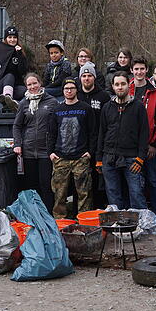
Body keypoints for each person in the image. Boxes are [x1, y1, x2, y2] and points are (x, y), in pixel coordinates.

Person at [96, 72, 149, 210]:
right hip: (109, 157)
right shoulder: (107, 107)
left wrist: (140, 158)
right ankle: (117, 226)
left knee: (136, 194)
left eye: (123, 84)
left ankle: (142, 226)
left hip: (132, 158)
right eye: (117, 84)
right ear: (113, 86)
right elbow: (101, 133)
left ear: (128, 85)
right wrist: (99, 158)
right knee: (113, 195)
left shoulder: (138, 107)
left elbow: (144, 134)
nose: (120, 87)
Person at [48, 78, 97, 217]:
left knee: (84, 193)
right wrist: (50, 153)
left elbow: (93, 132)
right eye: (66, 88)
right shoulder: (57, 110)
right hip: (60, 158)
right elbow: (51, 133)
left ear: (77, 90)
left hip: (81, 158)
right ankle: (60, 222)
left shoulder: (85, 108)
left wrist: (90, 152)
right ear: (63, 91)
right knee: (59, 194)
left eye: (72, 88)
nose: (69, 91)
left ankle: (85, 221)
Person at [129, 57, 156, 220]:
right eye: (136, 69)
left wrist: (153, 144)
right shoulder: (126, 88)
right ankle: (134, 216)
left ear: (147, 71)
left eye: (142, 69)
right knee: (133, 183)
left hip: (149, 147)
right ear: (132, 70)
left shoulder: (154, 92)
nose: (139, 72)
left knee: (152, 181)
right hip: (130, 146)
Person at [13, 73, 59, 212]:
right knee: (31, 186)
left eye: (35, 83)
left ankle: (48, 214)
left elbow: (58, 125)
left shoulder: (52, 102)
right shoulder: (23, 103)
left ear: (40, 83)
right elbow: (17, 126)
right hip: (28, 151)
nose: (32, 87)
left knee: (46, 185)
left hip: (46, 151)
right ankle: (34, 213)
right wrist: (17, 144)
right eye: (29, 84)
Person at [77, 62, 111, 208]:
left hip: (98, 142)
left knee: (98, 178)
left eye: (89, 75)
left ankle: (98, 208)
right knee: (80, 180)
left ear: (94, 77)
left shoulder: (103, 96)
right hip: (80, 143)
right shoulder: (76, 94)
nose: (86, 78)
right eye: (83, 76)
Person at [0, 26, 27, 102]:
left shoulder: (20, 53)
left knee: (25, 91)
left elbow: (23, 71)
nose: (12, 40)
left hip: (16, 86)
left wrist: (19, 54)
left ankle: (4, 98)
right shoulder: (0, 52)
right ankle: (7, 97)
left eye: (14, 37)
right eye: (10, 37)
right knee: (9, 76)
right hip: (2, 85)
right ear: (6, 38)